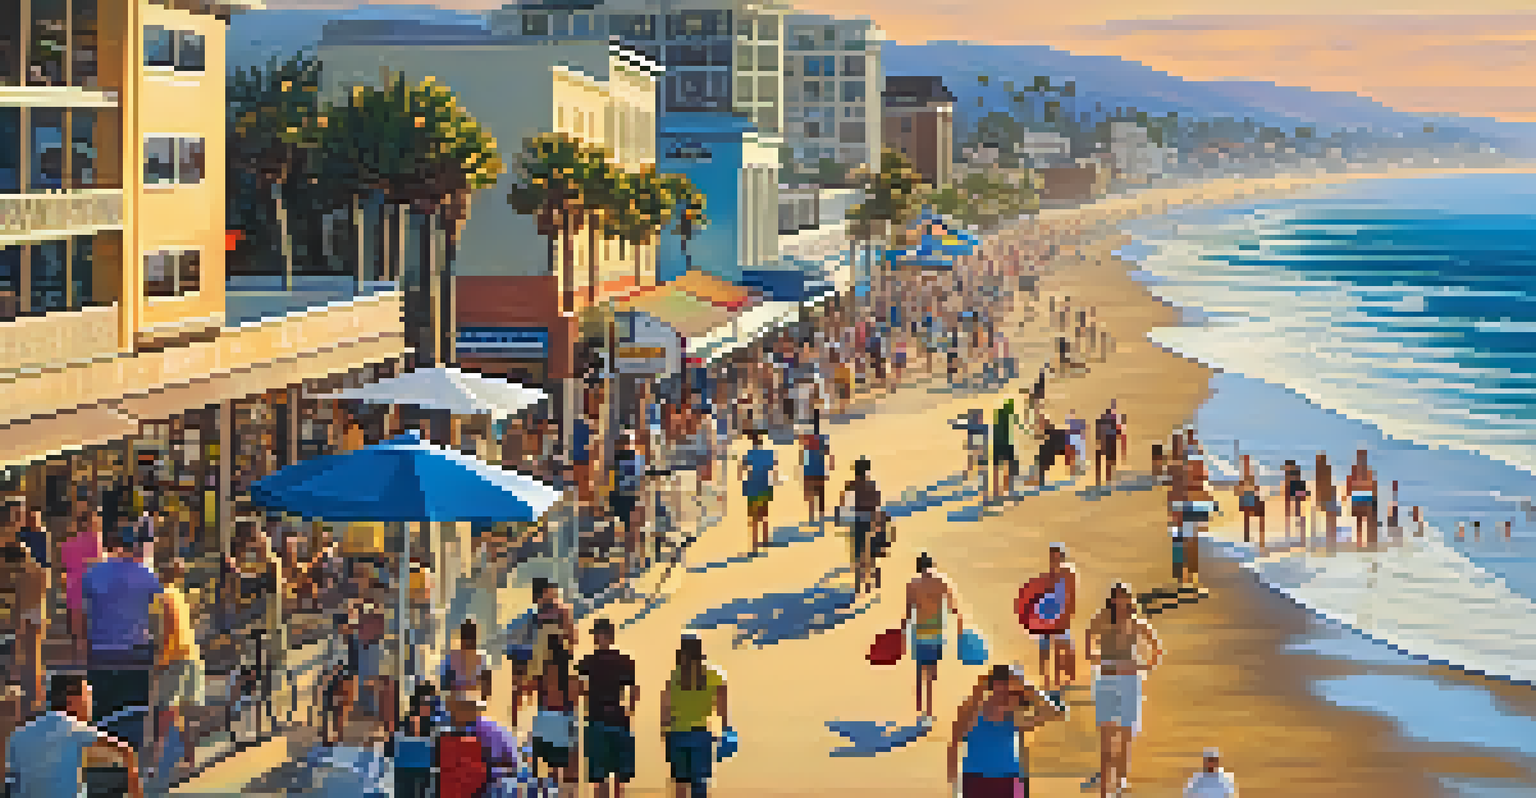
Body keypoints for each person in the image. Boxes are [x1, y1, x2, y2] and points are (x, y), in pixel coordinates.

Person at [82, 522, 164, 754]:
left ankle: (104, 757)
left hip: (101, 650)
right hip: (137, 650)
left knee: (103, 709)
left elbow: (80, 613)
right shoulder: (148, 575)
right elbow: (159, 614)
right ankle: (131, 761)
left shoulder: (93, 573)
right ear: (138, 546)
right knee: (135, 709)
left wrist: (81, 644)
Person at [4, 674, 145, 798]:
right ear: (72, 699)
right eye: (88, 698)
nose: (91, 705)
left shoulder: (20, 734)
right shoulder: (73, 727)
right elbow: (126, 751)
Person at [1085, 583, 1165, 798]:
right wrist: (1095, 657)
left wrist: (1144, 666)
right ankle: (1105, 787)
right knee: (1106, 735)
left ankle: (1120, 781)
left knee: (1125, 735)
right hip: (1108, 679)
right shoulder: (1102, 619)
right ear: (1112, 600)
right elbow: (1088, 638)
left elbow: (1156, 647)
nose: (1121, 602)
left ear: (1130, 601)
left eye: (1125, 598)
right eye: (1118, 598)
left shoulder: (1136, 622)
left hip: (1130, 681)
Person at [947, 664, 1066, 798]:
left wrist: (1026, 686)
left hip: (1010, 779)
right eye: (1000, 685)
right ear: (992, 686)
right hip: (976, 779)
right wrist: (955, 788)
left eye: (1010, 689)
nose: (1004, 693)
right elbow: (954, 744)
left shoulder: (1016, 717)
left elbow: (1055, 712)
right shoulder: (972, 711)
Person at [148, 558, 203, 782]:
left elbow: (164, 631)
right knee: (182, 712)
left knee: (165, 712)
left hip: (174, 659)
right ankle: (190, 760)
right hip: (191, 657)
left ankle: (154, 762)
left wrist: (159, 663)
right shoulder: (179, 596)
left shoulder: (161, 598)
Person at [661, 634, 729, 798]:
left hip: (677, 733)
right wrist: (725, 730)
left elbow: (665, 707)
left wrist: (665, 731)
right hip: (700, 734)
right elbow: (722, 708)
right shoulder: (713, 675)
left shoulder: (675, 675)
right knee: (699, 783)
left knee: (680, 783)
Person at [578, 618, 639, 798]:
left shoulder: (587, 661)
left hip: (597, 718)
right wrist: (629, 711)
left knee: (600, 774)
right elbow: (634, 690)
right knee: (619, 774)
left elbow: (578, 687)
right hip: (618, 718)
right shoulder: (625, 661)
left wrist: (587, 696)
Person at [904, 553, 966, 720]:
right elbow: (954, 608)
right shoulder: (942, 581)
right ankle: (929, 711)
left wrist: (902, 633)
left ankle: (919, 708)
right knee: (931, 673)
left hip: (920, 631)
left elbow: (909, 613)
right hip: (937, 632)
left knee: (920, 670)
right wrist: (961, 630)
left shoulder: (913, 584)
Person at [0, 538, 48, 717]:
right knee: (33, 661)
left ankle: (30, 702)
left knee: (27, 661)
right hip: (34, 619)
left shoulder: (23, 576)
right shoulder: (38, 573)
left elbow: (22, 608)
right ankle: (34, 700)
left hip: (25, 622)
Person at [61, 502, 104, 666]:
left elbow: (65, 566)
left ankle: (78, 664)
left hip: (73, 589)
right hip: (91, 589)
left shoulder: (68, 542)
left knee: (78, 633)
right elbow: (99, 564)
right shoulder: (96, 539)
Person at [1030, 544, 1078, 692]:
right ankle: (1045, 680)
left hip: (1059, 615)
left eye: (1057, 557)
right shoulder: (1052, 573)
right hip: (1045, 614)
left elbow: (1071, 596)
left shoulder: (1069, 572)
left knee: (1060, 647)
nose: (1054, 560)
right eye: (1052, 557)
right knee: (1045, 648)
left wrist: (1067, 614)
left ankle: (1058, 679)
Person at [839, 457, 885, 594]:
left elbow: (842, 500)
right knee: (871, 553)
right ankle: (874, 581)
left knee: (857, 553)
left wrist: (841, 515)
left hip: (857, 520)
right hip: (871, 520)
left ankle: (859, 584)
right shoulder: (871, 484)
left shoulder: (852, 484)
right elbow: (877, 502)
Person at [393, 683, 440, 798]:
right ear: (415, 705)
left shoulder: (434, 726)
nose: (430, 708)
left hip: (427, 779)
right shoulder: (406, 725)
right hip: (408, 779)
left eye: (432, 704)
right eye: (426, 704)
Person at [441, 619, 492, 717]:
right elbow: (487, 685)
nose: (469, 641)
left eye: (470, 637)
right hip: (461, 704)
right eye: (467, 637)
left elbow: (446, 685)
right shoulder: (482, 658)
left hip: (465, 704)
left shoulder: (452, 657)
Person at [739, 430, 778, 553]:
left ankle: (754, 544)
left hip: (752, 487)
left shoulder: (749, 454)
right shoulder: (767, 454)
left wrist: (743, 482)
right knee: (764, 516)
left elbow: (742, 469)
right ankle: (765, 540)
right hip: (764, 486)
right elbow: (773, 469)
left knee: (753, 518)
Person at [799, 416, 834, 527]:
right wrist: (830, 466)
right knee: (820, 494)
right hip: (819, 470)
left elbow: (803, 455)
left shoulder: (807, 439)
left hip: (809, 470)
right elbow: (829, 453)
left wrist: (802, 468)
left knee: (811, 495)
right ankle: (821, 517)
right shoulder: (823, 439)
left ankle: (811, 517)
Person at [950, 409, 989, 494]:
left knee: (975, 463)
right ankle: (973, 477)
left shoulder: (975, 426)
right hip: (977, 448)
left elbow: (955, 425)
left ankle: (972, 477)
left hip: (977, 448)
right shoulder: (982, 426)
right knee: (975, 463)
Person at [1346, 449, 1379, 548]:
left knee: (1362, 523)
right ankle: (1368, 543)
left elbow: (1349, 485)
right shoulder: (1366, 471)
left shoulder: (1356, 471)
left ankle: (1363, 543)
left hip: (1360, 498)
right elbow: (1373, 485)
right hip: (1362, 498)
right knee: (1364, 522)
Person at [991, 400, 1021, 500]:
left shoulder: (998, 418)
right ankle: (1005, 489)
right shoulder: (1010, 418)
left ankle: (997, 491)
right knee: (1009, 466)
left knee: (997, 467)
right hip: (1005, 443)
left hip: (997, 443)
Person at [1095, 401, 1127, 487]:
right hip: (1109, 443)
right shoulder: (1115, 419)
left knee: (1105, 462)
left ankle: (1100, 479)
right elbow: (1121, 433)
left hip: (1106, 443)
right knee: (1108, 463)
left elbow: (1120, 433)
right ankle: (1105, 479)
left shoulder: (1103, 419)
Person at [1315, 453, 1340, 549]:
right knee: (1330, 521)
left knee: (1329, 521)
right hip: (1328, 496)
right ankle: (1331, 542)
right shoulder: (1324, 470)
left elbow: (1321, 485)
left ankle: (1330, 542)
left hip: (1328, 496)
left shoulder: (1322, 471)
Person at [1282, 459, 1308, 534]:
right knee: (1293, 504)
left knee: (1297, 504)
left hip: (1297, 490)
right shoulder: (1290, 474)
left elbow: (1299, 484)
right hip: (1294, 490)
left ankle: (1296, 518)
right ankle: (1291, 519)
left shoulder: (1295, 473)